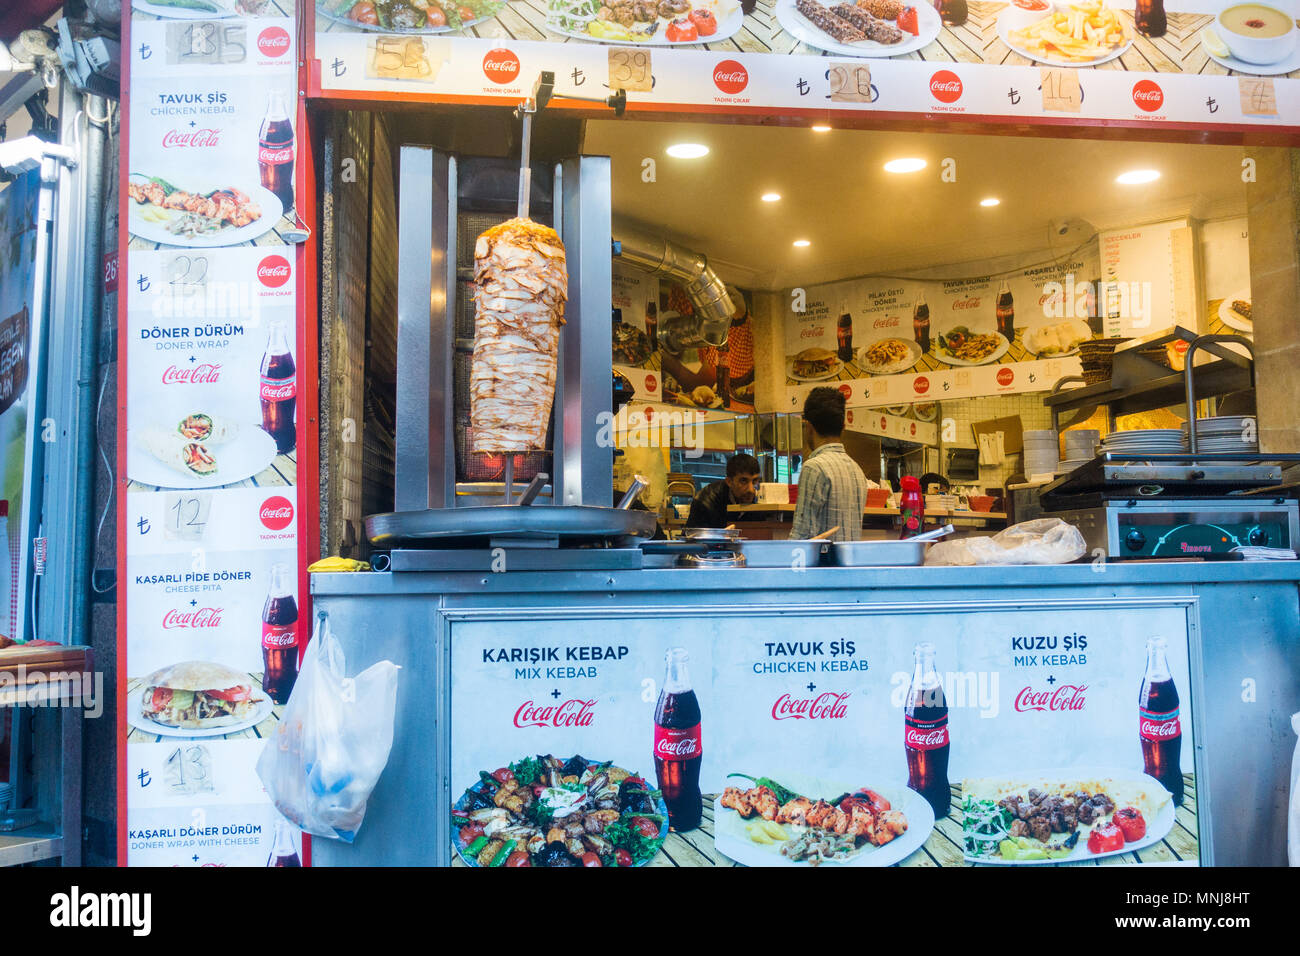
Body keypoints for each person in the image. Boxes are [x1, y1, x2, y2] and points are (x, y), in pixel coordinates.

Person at [790, 388, 869, 542]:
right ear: (843, 428)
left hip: (823, 564)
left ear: (809, 427)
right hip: (850, 563)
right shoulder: (856, 470)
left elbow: (802, 534)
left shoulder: (814, 467)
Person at [659, 285, 756, 408]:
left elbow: (696, 379)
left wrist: (665, 359)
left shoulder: (738, 355)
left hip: (734, 361)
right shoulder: (686, 299)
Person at [686, 453, 762, 528]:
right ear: (729, 481)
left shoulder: (760, 502)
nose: (751, 489)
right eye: (743, 481)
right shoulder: (706, 502)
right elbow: (692, 537)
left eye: (755, 481)